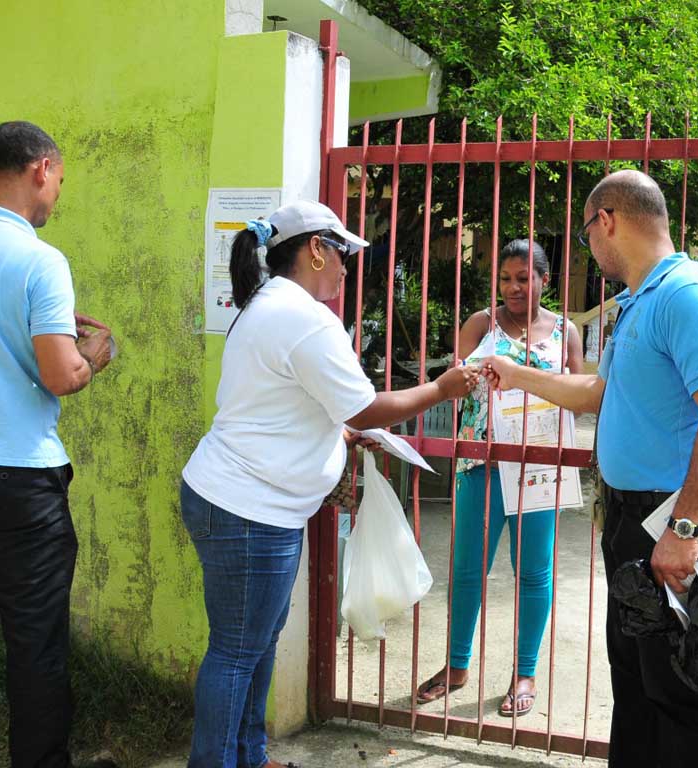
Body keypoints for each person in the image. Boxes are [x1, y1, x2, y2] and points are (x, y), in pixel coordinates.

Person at [180, 199, 478, 768]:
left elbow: (286, 404)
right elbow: (365, 408)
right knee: (238, 653)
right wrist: (442, 389)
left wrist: (332, 435)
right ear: (316, 249)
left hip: (242, 501)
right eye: (342, 254)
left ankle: (249, 755)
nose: (347, 269)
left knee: (253, 646)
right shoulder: (301, 316)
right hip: (248, 510)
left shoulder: (271, 304)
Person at [482, 170, 698, 766]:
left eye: (586, 234)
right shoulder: (640, 300)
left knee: (680, 692)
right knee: (635, 679)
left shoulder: (686, 295)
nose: (590, 248)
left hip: (668, 523)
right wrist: (517, 373)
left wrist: (684, 530)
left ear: (607, 221)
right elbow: (601, 393)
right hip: (631, 522)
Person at [0, 121, 116, 768]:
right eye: (60, 179)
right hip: (18, 474)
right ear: (41, 168)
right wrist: (92, 355)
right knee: (34, 639)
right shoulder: (40, 259)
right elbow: (60, 375)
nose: (58, 192)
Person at [415, 239, 582, 717]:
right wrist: (466, 378)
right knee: (468, 570)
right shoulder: (480, 325)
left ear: (544, 281)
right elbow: (454, 387)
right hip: (480, 465)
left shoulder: (564, 331)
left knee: (534, 573)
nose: (513, 287)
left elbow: (579, 392)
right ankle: (456, 665)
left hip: (537, 470)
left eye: (523, 278)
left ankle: (524, 672)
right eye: (505, 278)